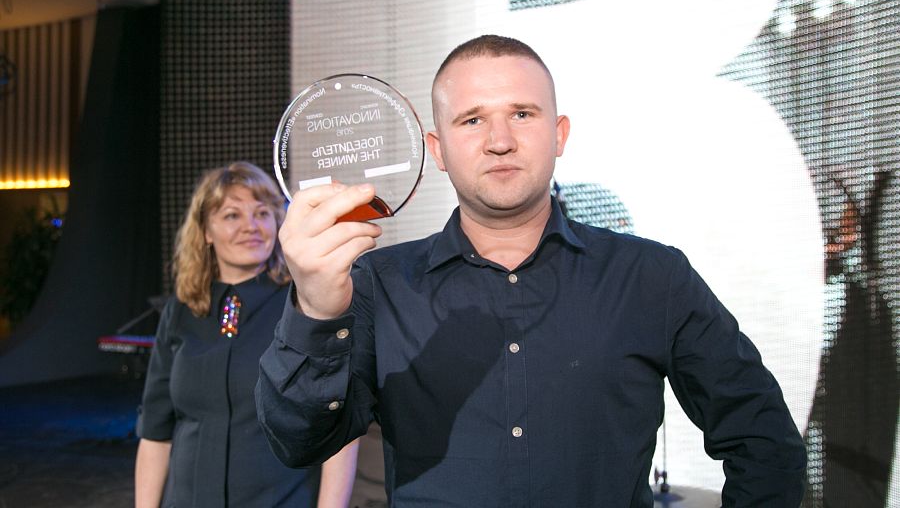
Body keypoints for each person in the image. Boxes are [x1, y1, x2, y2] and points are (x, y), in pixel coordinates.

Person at [255, 36, 806, 506]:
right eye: (472, 119)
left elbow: (763, 440)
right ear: (437, 150)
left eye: (522, 113)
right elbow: (298, 442)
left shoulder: (651, 276)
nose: (500, 141)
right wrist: (317, 311)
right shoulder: (379, 284)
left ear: (559, 134)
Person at [135, 162, 358, 508]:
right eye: (232, 215)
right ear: (206, 231)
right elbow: (155, 433)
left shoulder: (306, 304)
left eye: (262, 213)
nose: (250, 226)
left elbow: (338, 430)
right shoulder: (179, 311)